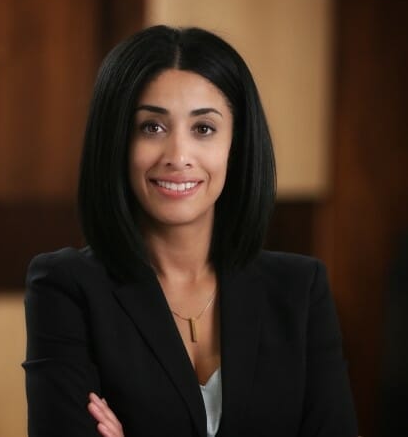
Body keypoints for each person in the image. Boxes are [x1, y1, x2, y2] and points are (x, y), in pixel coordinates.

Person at [22, 25, 358, 437]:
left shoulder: (300, 290)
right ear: (116, 142)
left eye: (203, 129)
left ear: (237, 143)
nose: (178, 156)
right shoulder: (66, 287)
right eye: (151, 127)